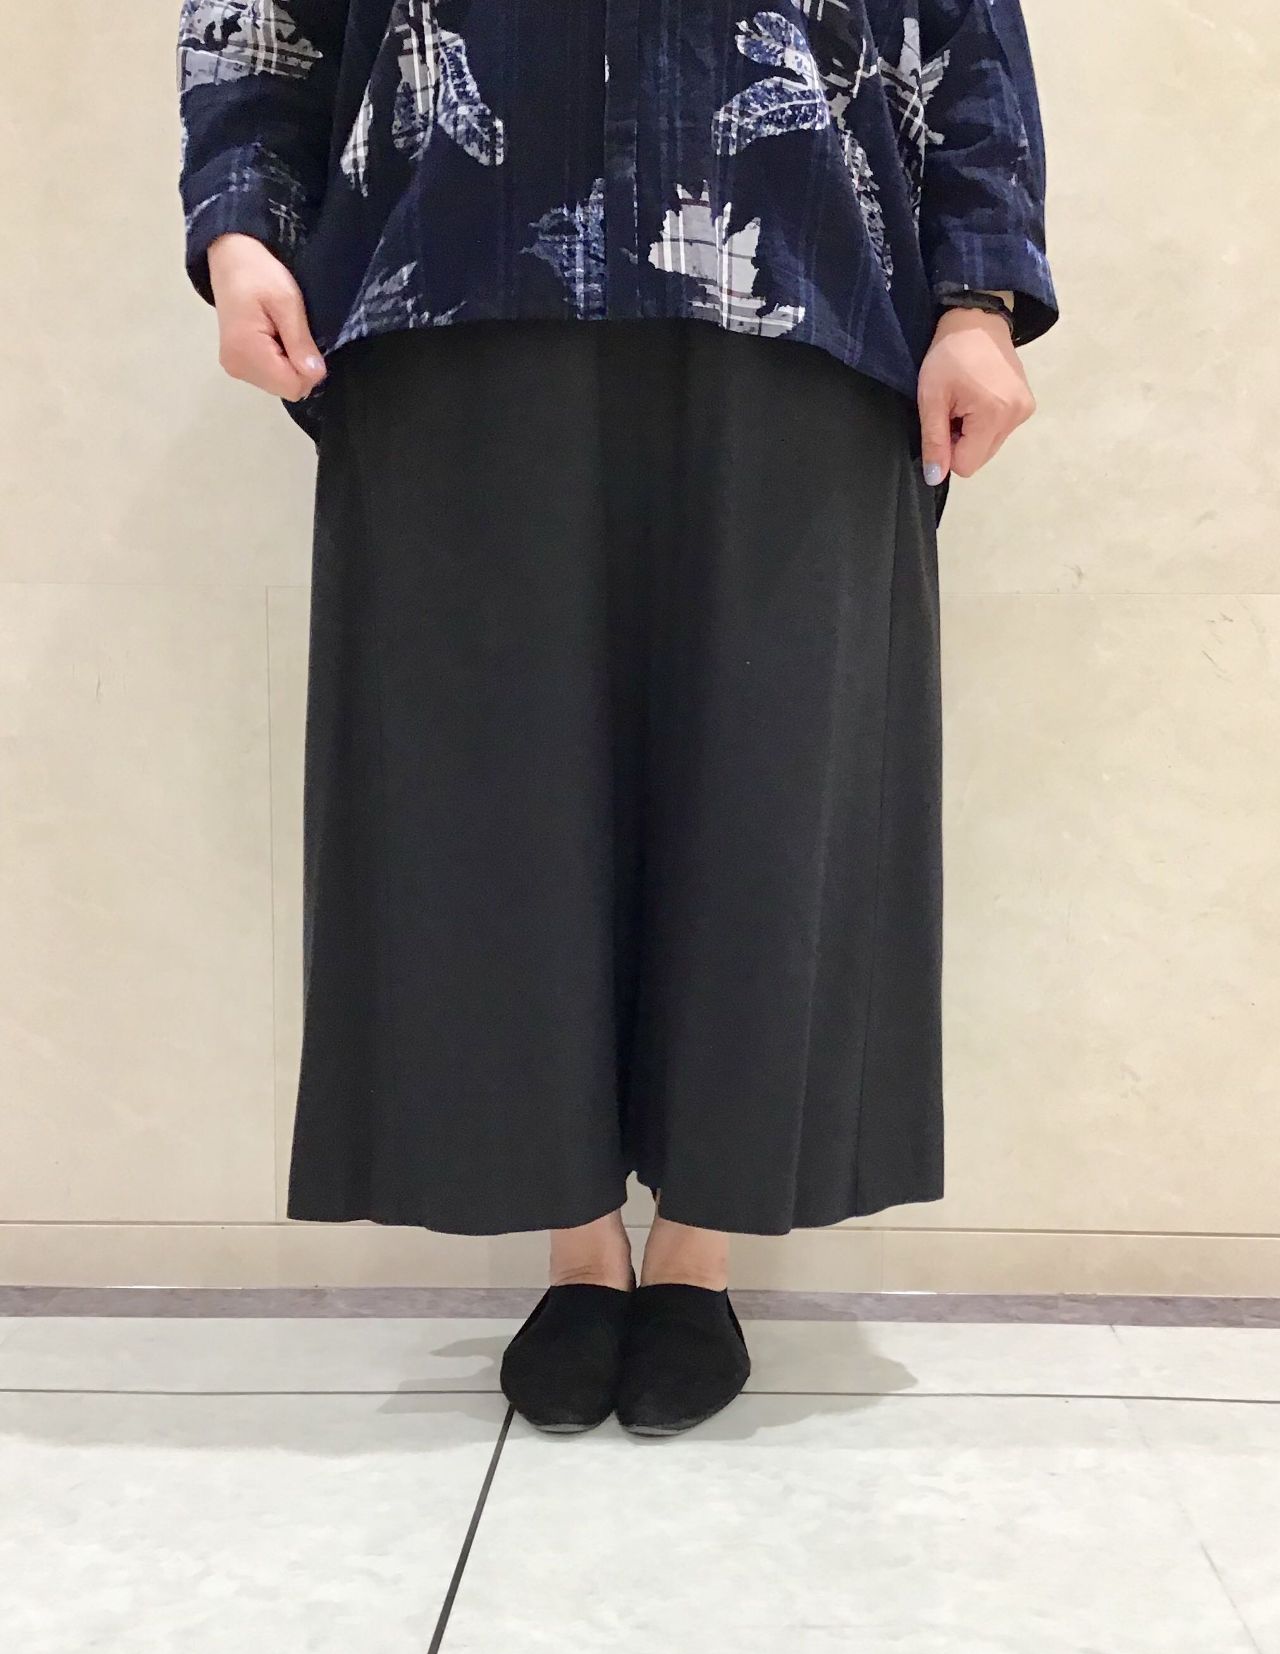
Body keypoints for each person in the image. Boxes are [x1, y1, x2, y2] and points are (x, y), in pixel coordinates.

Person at [177, 0, 1058, 1438]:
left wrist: (978, 303)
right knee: (485, 791)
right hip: (453, 273)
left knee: (775, 784)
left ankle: (700, 1253)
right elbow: (261, 18)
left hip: (806, 284)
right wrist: (239, 228)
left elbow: (969, 36)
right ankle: (579, 1250)